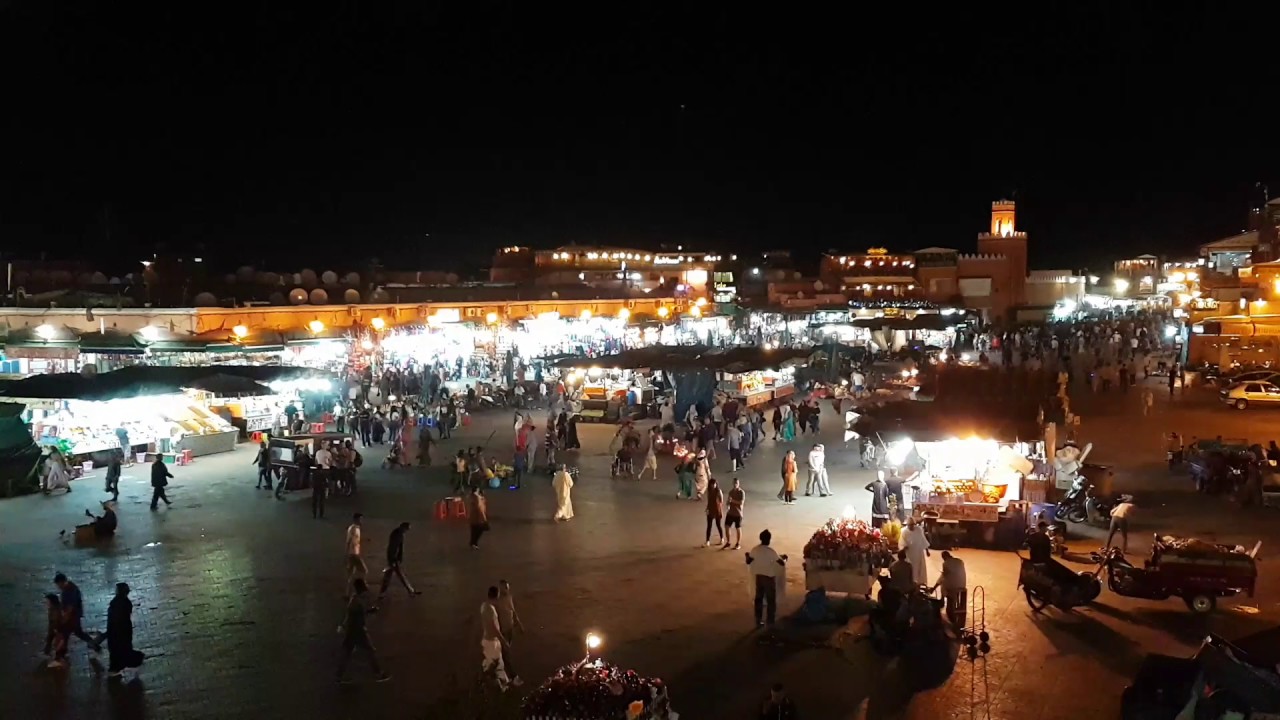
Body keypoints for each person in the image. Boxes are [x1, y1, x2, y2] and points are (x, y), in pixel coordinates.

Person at [336, 579, 390, 684]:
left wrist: (343, 626)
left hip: (351, 630)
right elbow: (362, 611)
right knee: (370, 650)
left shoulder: (354, 599)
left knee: (347, 652)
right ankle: (378, 674)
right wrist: (372, 610)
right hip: (358, 630)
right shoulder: (359, 600)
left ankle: (339, 675)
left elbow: (350, 614)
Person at [746, 529, 787, 628]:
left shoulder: (755, 549)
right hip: (769, 578)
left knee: (759, 599)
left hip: (759, 578)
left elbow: (748, 561)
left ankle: (758, 620)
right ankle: (770, 621)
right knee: (771, 600)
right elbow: (780, 563)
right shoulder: (771, 551)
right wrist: (784, 558)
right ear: (769, 539)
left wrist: (747, 555)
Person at [53, 573, 99, 653]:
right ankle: (94, 645)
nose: (58, 587)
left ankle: (61, 653)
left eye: (58, 584)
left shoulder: (68, 590)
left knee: (66, 633)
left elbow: (70, 606)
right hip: (74, 615)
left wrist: (64, 618)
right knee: (77, 633)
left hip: (72, 617)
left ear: (61, 582)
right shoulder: (71, 588)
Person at [105, 582, 143, 680]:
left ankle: (117, 668)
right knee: (121, 650)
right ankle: (120, 666)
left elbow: (118, 619)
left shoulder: (119, 603)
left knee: (119, 650)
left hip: (118, 632)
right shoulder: (124, 602)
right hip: (120, 631)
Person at [479, 586, 511, 690]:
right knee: (495, 665)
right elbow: (494, 628)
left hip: (488, 640)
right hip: (492, 642)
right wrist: (503, 641)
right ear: (496, 595)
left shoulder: (484, 606)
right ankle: (501, 687)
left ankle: (502, 685)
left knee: (494, 664)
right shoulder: (491, 610)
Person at [378, 522, 420, 600]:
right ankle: (410, 591)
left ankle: (382, 593)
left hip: (394, 558)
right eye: (407, 529)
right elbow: (392, 548)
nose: (407, 531)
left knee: (390, 576)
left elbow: (400, 547)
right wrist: (392, 560)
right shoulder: (396, 534)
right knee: (397, 576)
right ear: (403, 527)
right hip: (393, 558)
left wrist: (399, 558)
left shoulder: (400, 534)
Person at [495, 580, 524, 688]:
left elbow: (513, 612)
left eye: (507, 588)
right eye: (504, 588)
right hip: (503, 632)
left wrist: (519, 624)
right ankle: (514, 677)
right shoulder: (496, 602)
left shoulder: (509, 598)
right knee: (506, 655)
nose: (506, 590)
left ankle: (501, 675)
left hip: (510, 630)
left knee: (505, 653)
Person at [933, 550, 968, 627]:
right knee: (945, 580)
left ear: (944, 557)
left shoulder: (946, 563)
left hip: (952, 587)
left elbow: (943, 577)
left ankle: (942, 600)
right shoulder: (960, 561)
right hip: (962, 585)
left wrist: (934, 587)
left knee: (943, 584)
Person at [899, 517, 930, 587]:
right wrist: (904, 548)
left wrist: (927, 550)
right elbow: (902, 542)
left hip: (918, 553)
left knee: (919, 569)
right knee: (911, 569)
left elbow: (923, 539)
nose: (911, 526)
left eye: (912, 525)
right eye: (910, 525)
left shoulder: (919, 530)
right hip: (909, 555)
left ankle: (918, 584)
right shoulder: (903, 531)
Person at [43, 593, 69, 668]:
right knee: (51, 640)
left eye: (47, 601)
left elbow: (56, 620)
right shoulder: (53, 608)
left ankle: (59, 660)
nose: (46, 603)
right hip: (55, 628)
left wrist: (55, 629)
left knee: (58, 644)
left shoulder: (55, 610)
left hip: (57, 629)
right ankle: (48, 653)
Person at [346, 513, 367, 588]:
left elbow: (355, 540)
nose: (361, 521)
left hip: (353, 553)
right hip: (353, 553)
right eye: (360, 519)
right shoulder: (353, 528)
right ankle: (361, 587)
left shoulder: (356, 528)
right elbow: (348, 541)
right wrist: (348, 553)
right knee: (364, 570)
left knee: (351, 574)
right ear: (355, 519)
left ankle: (348, 593)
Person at [724, 478, 745, 550]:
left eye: (736, 483)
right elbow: (728, 502)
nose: (735, 484)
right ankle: (728, 542)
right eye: (734, 483)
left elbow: (741, 503)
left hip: (738, 513)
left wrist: (732, 500)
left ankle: (738, 543)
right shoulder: (731, 492)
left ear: (738, 483)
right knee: (727, 526)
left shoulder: (741, 492)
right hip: (730, 512)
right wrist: (728, 503)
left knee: (738, 528)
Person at [704, 477, 725, 547]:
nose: (713, 485)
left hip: (717, 510)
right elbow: (709, 500)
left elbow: (721, 501)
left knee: (718, 525)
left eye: (714, 484)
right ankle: (707, 541)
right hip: (710, 509)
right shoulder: (709, 491)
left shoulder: (718, 491)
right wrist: (707, 508)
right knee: (709, 526)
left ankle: (722, 538)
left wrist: (720, 510)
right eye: (712, 484)